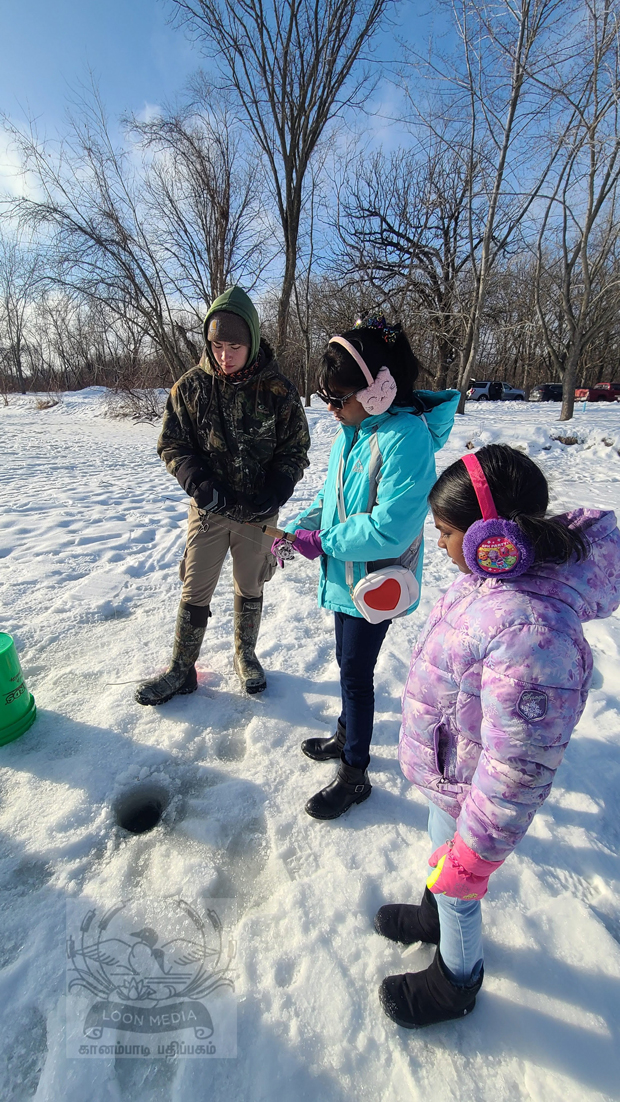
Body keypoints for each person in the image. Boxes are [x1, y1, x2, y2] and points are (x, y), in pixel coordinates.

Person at [376, 444, 620, 1028]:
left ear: (489, 532)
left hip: (478, 798)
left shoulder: (533, 631)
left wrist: (476, 856)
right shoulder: (493, 575)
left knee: (459, 883)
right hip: (452, 777)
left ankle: (455, 982)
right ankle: (435, 909)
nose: (437, 543)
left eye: (444, 531)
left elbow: (518, 764)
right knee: (442, 858)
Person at [273, 316, 459, 819]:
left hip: (375, 582)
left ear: (379, 391)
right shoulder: (351, 433)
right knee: (345, 662)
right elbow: (332, 500)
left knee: (357, 673)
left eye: (339, 399)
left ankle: (356, 774)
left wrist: (323, 541)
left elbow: (390, 529)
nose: (331, 409)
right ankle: (345, 733)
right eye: (326, 398)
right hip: (345, 575)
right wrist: (301, 528)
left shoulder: (407, 439)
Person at [135, 286, 310, 705]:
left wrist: (278, 486)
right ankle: (181, 668)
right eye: (217, 345)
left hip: (259, 514)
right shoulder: (190, 387)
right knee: (195, 586)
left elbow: (295, 449)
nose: (225, 355)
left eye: (234, 346)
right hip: (209, 512)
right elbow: (172, 444)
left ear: (250, 341)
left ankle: (245, 655)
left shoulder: (279, 392)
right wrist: (197, 481)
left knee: (250, 583)